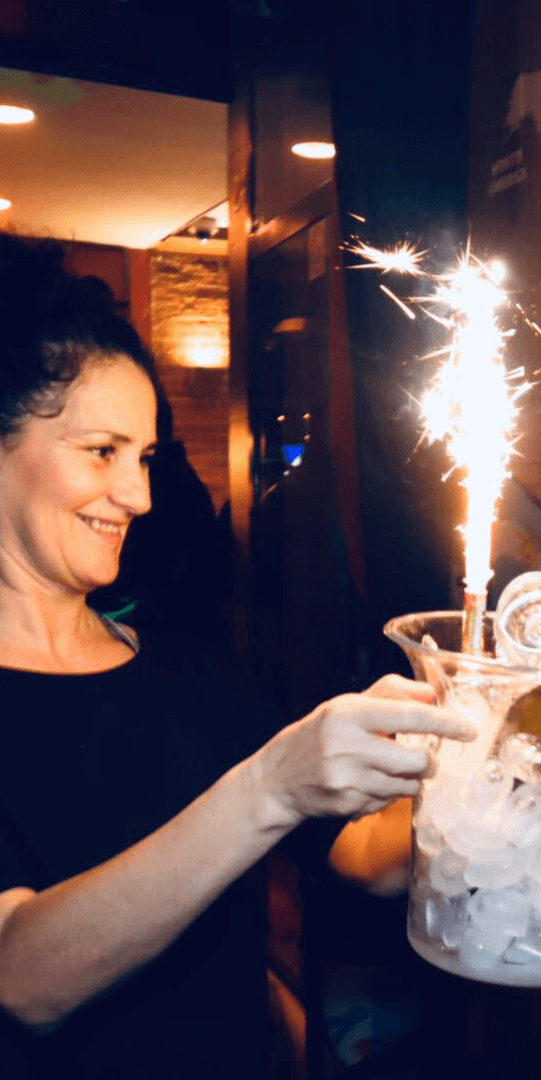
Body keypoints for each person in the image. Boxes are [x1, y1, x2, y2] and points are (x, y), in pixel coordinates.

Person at [0, 231, 476, 1078]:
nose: (139, 495)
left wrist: (516, 768)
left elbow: (365, 858)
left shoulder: (188, 672)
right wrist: (269, 788)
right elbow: (22, 978)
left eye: (146, 458)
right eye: (102, 451)